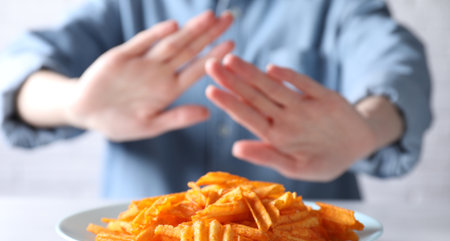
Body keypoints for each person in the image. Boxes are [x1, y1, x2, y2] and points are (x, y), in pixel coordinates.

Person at [0, 0, 431, 200]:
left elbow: (397, 64)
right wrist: (76, 102)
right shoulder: (123, 6)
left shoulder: (335, 6)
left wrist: (367, 127)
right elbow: (16, 71)